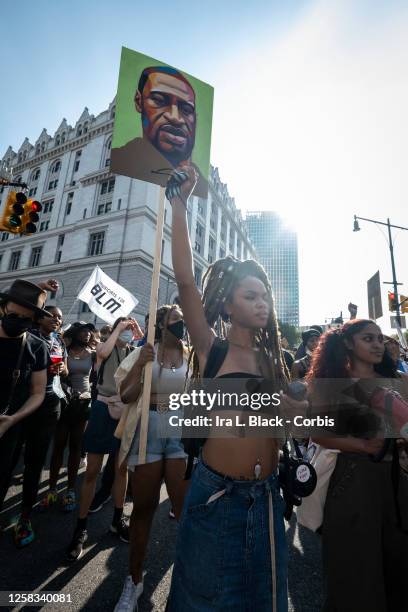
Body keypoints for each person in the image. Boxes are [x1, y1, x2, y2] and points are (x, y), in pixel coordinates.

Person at [165, 165, 301, 611]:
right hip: (216, 499)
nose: (262, 303)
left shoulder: (272, 360)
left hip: (267, 501)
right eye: (250, 295)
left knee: (264, 602)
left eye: (265, 296)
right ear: (227, 303)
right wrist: (179, 205)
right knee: (201, 601)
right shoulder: (212, 350)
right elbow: (186, 281)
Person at [308, 319, 408, 612]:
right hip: (352, 485)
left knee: (398, 567)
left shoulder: (397, 380)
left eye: (379, 338)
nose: (378, 344)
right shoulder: (331, 384)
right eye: (368, 338)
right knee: (356, 575)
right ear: (348, 343)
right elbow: (319, 434)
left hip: (396, 484)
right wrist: (363, 445)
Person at [113, 304, 189, 612]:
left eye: (183, 320)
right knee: (143, 509)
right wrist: (139, 366)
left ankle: (189, 583)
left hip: (181, 437)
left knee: (185, 512)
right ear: (161, 325)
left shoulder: (192, 356)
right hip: (148, 434)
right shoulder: (143, 353)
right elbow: (126, 395)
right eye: (175, 320)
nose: (181, 325)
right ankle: (133, 581)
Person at [66, 316, 140, 561]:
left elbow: (147, 352)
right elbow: (102, 352)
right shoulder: (103, 348)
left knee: (121, 469)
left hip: (124, 412)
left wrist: (137, 333)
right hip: (101, 409)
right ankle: (80, 527)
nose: (128, 333)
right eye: (124, 328)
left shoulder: (133, 351)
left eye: (130, 329)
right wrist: (118, 329)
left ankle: (117, 520)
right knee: (92, 472)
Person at [0, 280, 49, 538]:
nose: (17, 321)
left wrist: (12, 419)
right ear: (3, 308)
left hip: (8, 429)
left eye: (25, 318)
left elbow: (38, 392)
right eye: (12, 315)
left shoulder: (36, 347)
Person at [111, 66, 206, 198]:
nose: (175, 117)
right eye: (159, 100)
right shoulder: (122, 159)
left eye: (186, 109)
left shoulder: (200, 181)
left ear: (196, 119)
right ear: (139, 101)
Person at [40, 322, 96, 512]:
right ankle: (52, 489)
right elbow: (58, 375)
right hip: (64, 402)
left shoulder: (93, 354)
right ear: (75, 333)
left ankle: (71, 490)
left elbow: (96, 378)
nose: (87, 334)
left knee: (76, 447)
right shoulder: (63, 349)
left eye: (89, 331)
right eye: (83, 331)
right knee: (58, 446)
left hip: (83, 404)